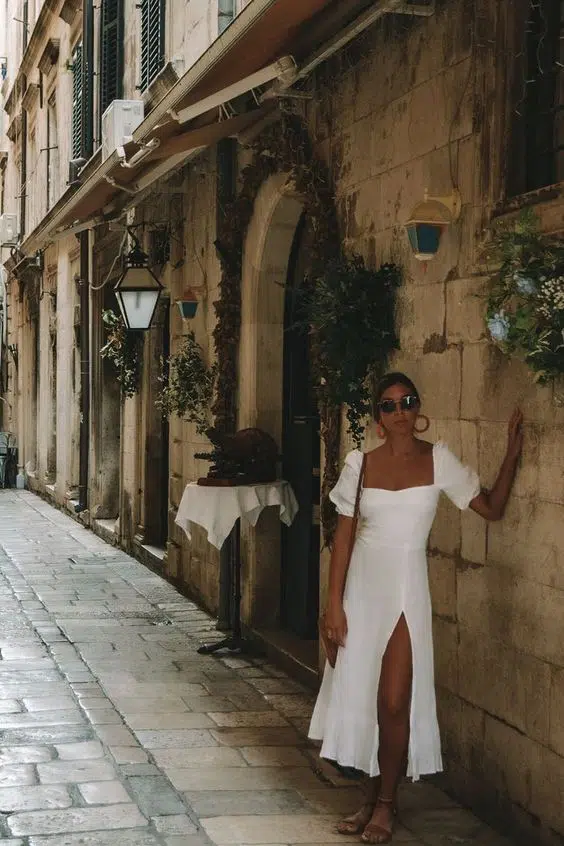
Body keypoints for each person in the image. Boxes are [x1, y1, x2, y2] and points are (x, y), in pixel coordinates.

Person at [308, 372, 523, 844]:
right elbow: (342, 541)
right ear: (378, 418)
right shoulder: (359, 465)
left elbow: (490, 506)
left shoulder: (438, 460)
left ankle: (387, 803)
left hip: (408, 588)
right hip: (363, 587)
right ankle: (368, 798)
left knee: (393, 700)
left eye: (407, 401)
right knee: (365, 695)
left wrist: (511, 456)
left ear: (417, 407)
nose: (400, 411)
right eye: (388, 405)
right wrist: (333, 607)